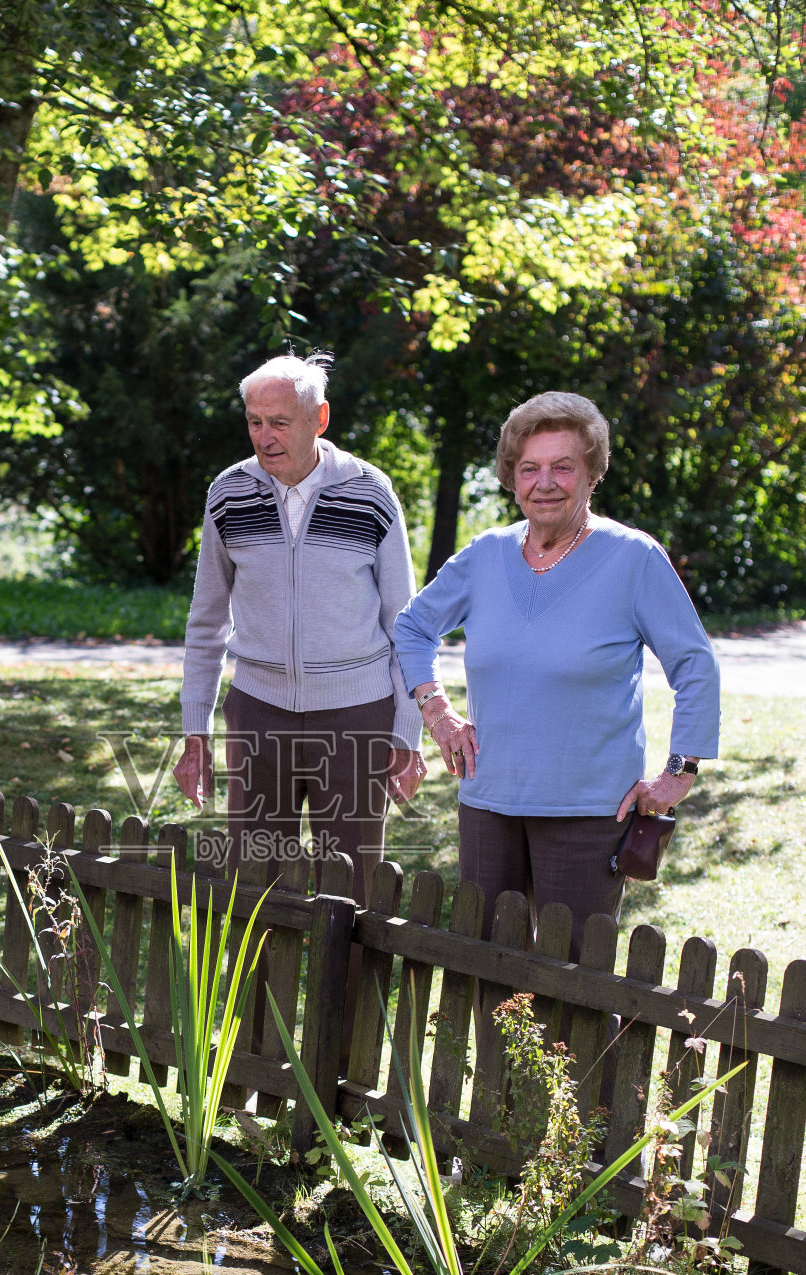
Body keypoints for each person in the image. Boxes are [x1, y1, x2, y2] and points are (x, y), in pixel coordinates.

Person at [393, 391, 720, 958]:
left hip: (589, 813)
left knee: (572, 979)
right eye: (530, 468)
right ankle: (496, 1056)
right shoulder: (485, 555)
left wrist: (678, 773)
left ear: (591, 474)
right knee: (486, 968)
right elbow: (413, 627)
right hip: (487, 802)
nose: (545, 482)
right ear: (512, 478)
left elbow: (694, 665)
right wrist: (437, 712)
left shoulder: (633, 558)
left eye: (562, 467)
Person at [173, 353, 426, 905]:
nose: (264, 437)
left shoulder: (370, 492)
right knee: (255, 891)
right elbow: (207, 620)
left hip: (357, 715)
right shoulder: (228, 494)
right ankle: (260, 997)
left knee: (352, 895)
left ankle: (346, 994)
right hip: (257, 712)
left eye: (279, 422)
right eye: (254, 421)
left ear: (320, 419)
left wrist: (407, 729)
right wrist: (196, 729)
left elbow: (404, 622)